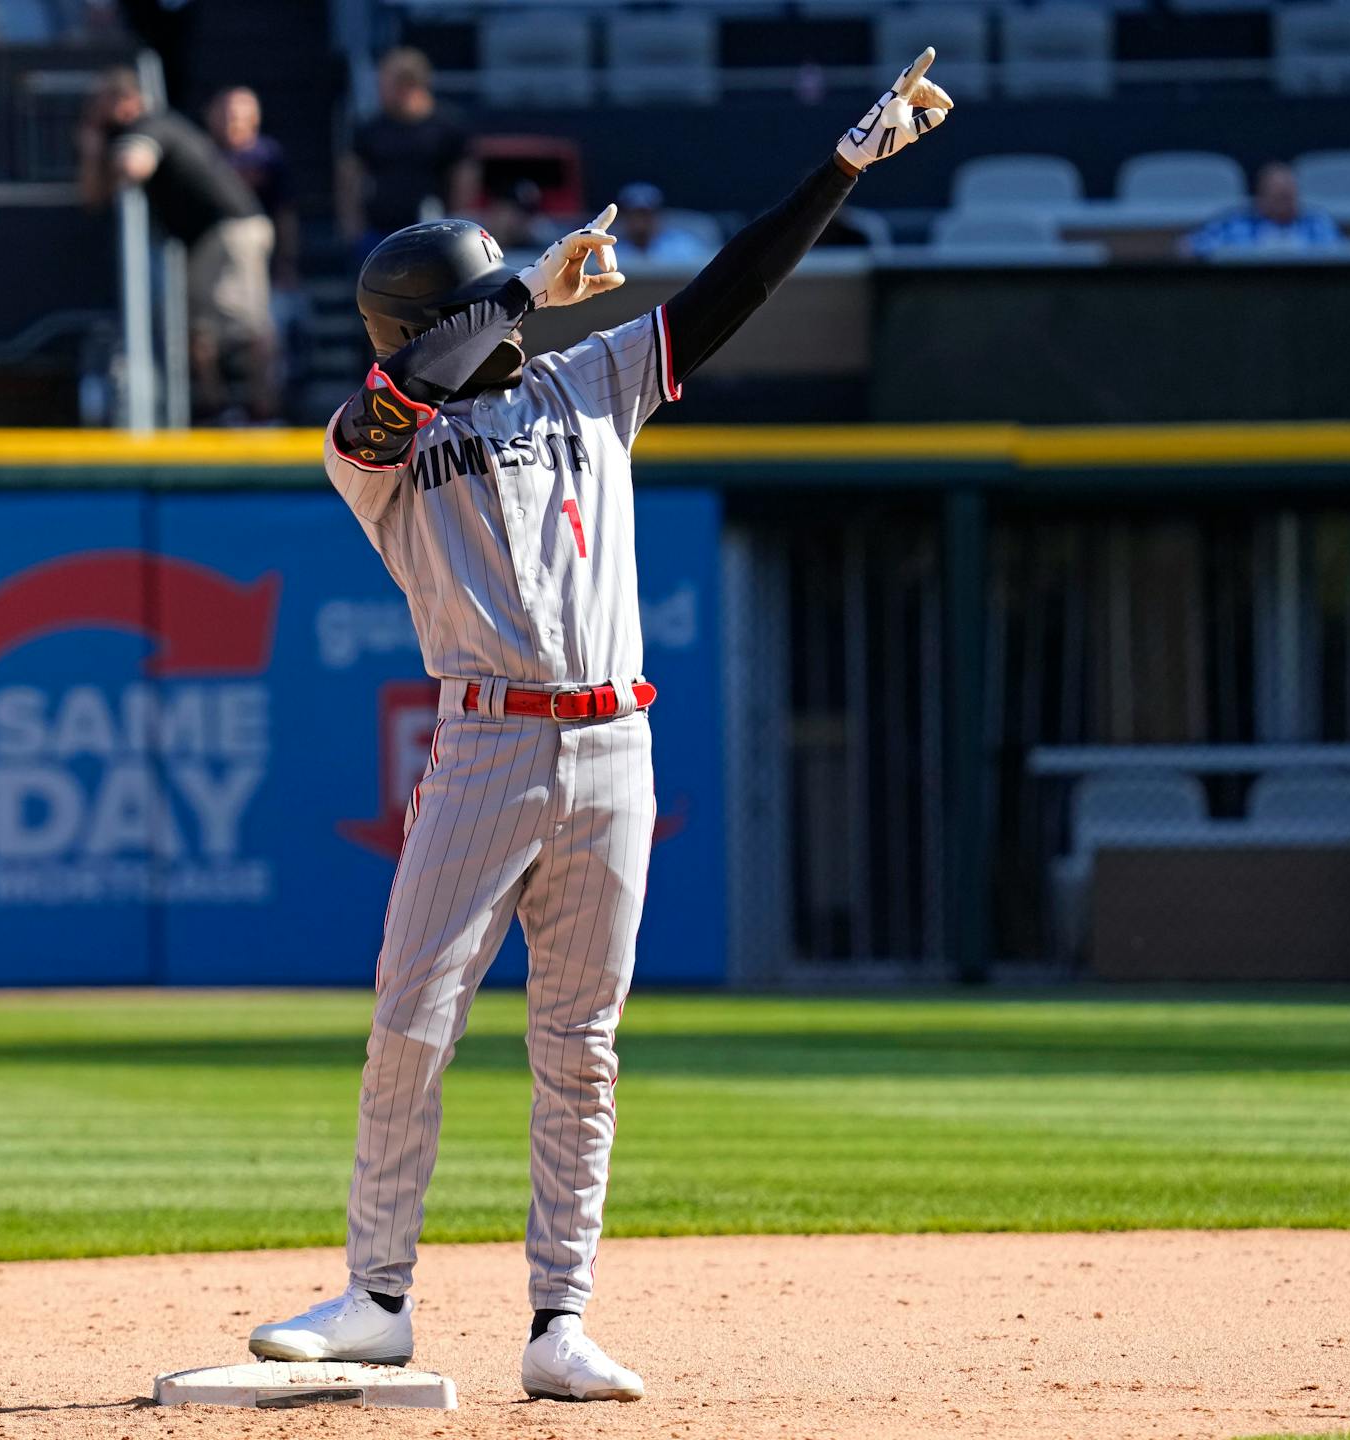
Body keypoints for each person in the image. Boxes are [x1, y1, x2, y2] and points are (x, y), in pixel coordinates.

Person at [249, 49, 954, 1403]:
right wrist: (520, 287)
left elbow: (732, 289)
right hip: (488, 743)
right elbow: (420, 377)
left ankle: (559, 1320)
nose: (509, 313)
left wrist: (846, 165)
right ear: (426, 323)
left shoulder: (590, 385)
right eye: (476, 301)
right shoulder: (375, 444)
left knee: (582, 1045)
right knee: (413, 1018)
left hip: (613, 744)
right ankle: (377, 1297)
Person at [79, 68, 277, 421]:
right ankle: (220, 410)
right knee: (198, 331)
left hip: (230, 232)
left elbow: (134, 164)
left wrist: (106, 153)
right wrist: (93, 149)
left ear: (130, 101)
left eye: (107, 101)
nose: (99, 110)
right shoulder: (125, 130)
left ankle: (263, 413)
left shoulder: (153, 123)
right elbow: (93, 198)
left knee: (247, 327)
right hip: (207, 241)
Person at [338, 47, 474, 253]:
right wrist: (353, 227)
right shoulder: (371, 129)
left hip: (434, 236)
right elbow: (349, 175)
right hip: (380, 237)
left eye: (384, 83)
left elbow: (464, 177)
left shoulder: (447, 128)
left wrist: (458, 226)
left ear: (408, 85)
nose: (379, 90)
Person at [207, 85, 297, 289]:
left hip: (256, 245)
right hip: (210, 247)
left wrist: (287, 261)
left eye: (238, 115)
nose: (232, 121)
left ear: (254, 118)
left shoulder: (268, 156)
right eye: (226, 114)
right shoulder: (204, 153)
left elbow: (285, 211)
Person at [1185, 161, 1340, 258]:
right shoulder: (1233, 223)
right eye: (1279, 198)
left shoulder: (1317, 223)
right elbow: (1188, 247)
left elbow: (1341, 255)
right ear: (1261, 198)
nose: (1286, 204)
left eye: (1290, 197)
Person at [610, 182, 715, 265]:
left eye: (646, 214)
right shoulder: (609, 250)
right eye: (634, 215)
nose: (640, 221)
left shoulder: (684, 246)